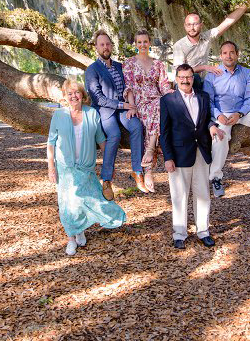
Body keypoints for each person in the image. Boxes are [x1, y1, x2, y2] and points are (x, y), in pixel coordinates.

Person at [47, 77, 126, 256]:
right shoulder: (58, 115)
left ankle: (80, 229)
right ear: (65, 97)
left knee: (88, 200)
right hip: (65, 168)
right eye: (70, 93)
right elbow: (50, 143)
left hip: (86, 167)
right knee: (68, 203)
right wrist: (51, 167)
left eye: (77, 92)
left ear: (82, 95)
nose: (73, 96)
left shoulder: (92, 113)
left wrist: (109, 164)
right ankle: (70, 239)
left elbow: (101, 140)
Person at [172, 11, 250, 120]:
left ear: (201, 25)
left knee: (234, 83)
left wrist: (244, 7)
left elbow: (226, 23)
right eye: (189, 25)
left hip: (203, 81)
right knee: (196, 78)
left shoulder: (206, 37)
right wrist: (204, 67)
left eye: (195, 24)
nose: (192, 28)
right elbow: (180, 72)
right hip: (187, 83)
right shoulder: (180, 45)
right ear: (185, 26)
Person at [160, 64, 224, 249]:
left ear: (193, 78)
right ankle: (179, 234)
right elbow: (164, 132)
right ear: (176, 78)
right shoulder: (168, 100)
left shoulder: (203, 97)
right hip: (179, 154)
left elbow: (204, 120)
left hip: (201, 152)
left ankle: (203, 232)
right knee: (179, 196)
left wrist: (212, 125)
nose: (185, 80)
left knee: (203, 194)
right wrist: (168, 158)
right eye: (181, 77)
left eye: (188, 77)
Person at [204, 41, 250, 198]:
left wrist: (240, 114)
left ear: (237, 54)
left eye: (232, 52)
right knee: (220, 136)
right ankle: (216, 178)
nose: (229, 56)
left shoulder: (247, 73)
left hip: (242, 112)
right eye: (225, 53)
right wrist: (218, 114)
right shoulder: (212, 75)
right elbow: (207, 100)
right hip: (221, 113)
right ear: (220, 56)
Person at [84, 30, 146, 200]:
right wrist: (123, 104)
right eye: (102, 44)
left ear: (111, 45)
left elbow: (130, 87)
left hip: (125, 109)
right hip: (105, 111)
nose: (105, 47)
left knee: (136, 126)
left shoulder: (120, 66)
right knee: (114, 135)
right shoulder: (92, 70)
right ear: (96, 47)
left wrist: (131, 105)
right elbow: (98, 98)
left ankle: (137, 171)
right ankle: (106, 180)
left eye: (107, 44)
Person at [123, 29, 174, 192]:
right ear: (136, 44)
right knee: (157, 108)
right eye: (139, 42)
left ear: (149, 43)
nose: (142, 45)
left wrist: (171, 96)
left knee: (161, 105)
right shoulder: (129, 62)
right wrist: (132, 106)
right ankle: (150, 159)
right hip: (139, 100)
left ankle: (149, 166)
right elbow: (129, 86)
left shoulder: (158, 63)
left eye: (145, 41)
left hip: (156, 98)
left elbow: (164, 85)